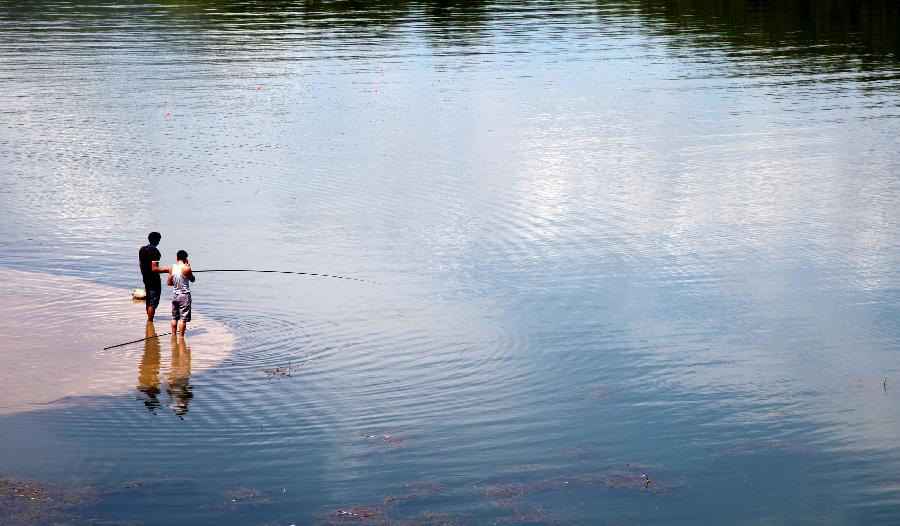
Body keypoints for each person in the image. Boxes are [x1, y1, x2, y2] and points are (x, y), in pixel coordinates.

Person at [138, 232, 170, 322]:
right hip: (154, 280)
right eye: (159, 240)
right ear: (157, 240)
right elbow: (154, 268)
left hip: (146, 278)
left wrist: (144, 274)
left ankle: (149, 320)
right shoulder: (155, 252)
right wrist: (168, 270)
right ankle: (150, 321)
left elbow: (140, 264)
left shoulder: (142, 249)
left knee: (148, 299)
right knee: (153, 302)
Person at [167, 249, 195, 337]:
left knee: (174, 317)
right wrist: (189, 268)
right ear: (186, 259)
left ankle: (173, 335)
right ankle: (181, 337)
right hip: (184, 296)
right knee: (183, 319)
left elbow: (169, 283)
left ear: (177, 258)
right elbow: (193, 279)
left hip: (175, 295)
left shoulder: (172, 268)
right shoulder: (186, 268)